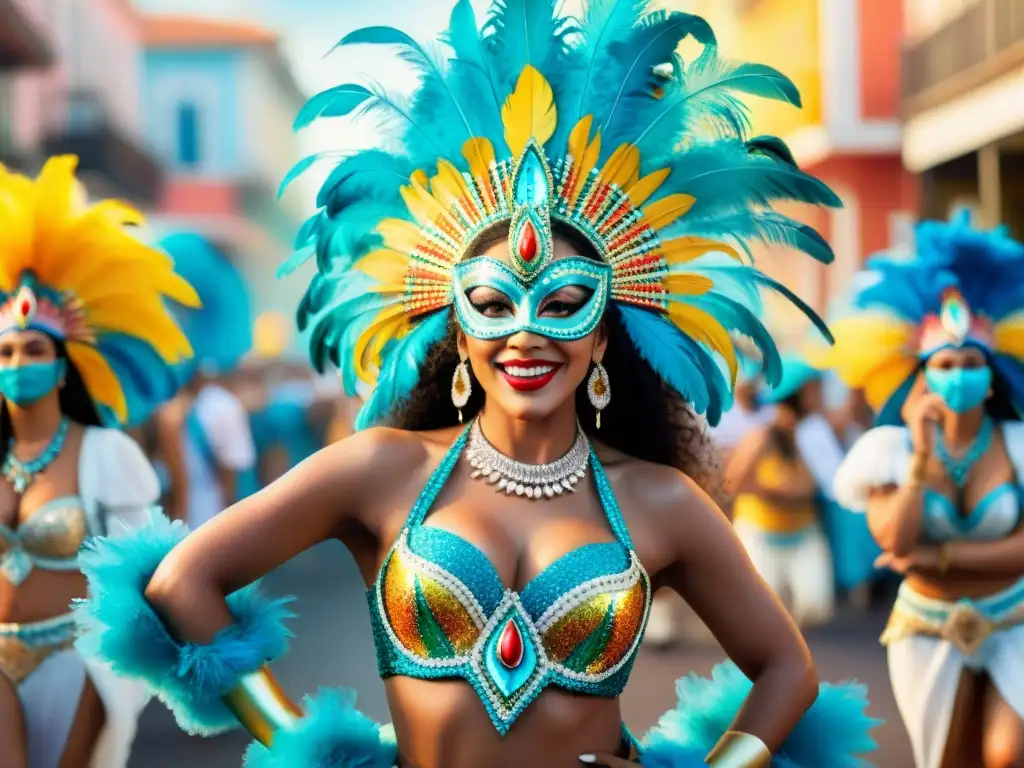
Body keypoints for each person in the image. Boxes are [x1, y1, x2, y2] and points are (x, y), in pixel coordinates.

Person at [73, 5, 879, 768]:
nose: (525, 333)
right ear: (458, 332)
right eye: (493, 307)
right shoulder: (382, 470)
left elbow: (787, 668)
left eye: (564, 306)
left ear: (604, 337)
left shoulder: (660, 502)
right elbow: (183, 583)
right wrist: (303, 746)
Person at [0, 157, 196, 767]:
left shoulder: (105, 452)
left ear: (63, 366)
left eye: (34, 349)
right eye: (4, 349)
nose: (17, 361)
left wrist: (110, 681)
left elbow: (141, 581)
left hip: (74, 670)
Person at [813, 213, 1024, 768]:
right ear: (922, 374)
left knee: (1008, 755)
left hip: (1014, 618)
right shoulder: (891, 448)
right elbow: (895, 540)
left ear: (994, 372)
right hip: (927, 627)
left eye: (972, 363)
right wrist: (922, 454)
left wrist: (943, 554)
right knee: (948, 759)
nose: (959, 374)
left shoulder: (1018, 443)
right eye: (946, 364)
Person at [151, 233, 256, 526]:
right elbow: (232, 481)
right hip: (207, 524)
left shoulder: (175, 407)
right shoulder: (219, 406)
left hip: (188, 524)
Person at [725, 358, 835, 627]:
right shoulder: (762, 437)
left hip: (803, 532)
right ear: (796, 394)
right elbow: (731, 484)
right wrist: (783, 492)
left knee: (815, 605)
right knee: (764, 615)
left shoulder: (813, 432)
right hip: (760, 535)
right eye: (815, 389)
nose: (822, 395)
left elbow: (826, 483)